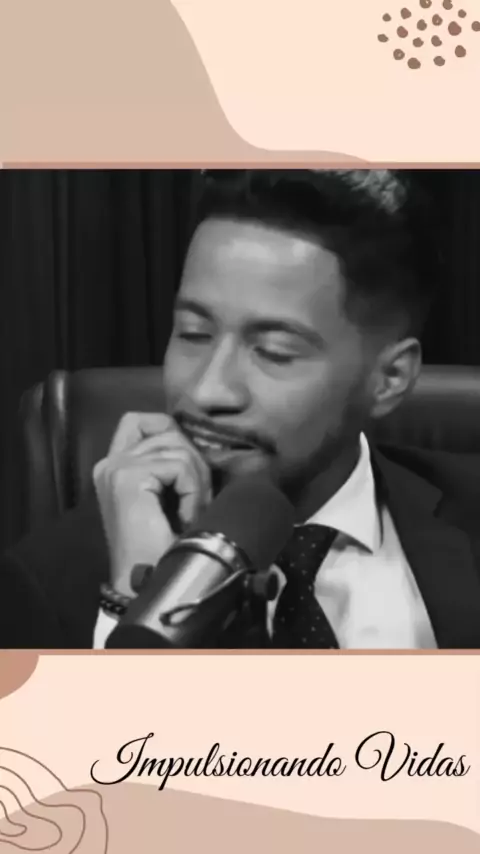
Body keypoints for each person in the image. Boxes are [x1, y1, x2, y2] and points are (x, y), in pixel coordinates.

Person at [2, 169, 480, 650]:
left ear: (390, 378)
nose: (207, 390)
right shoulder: (41, 583)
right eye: (193, 334)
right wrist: (139, 601)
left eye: (273, 352)